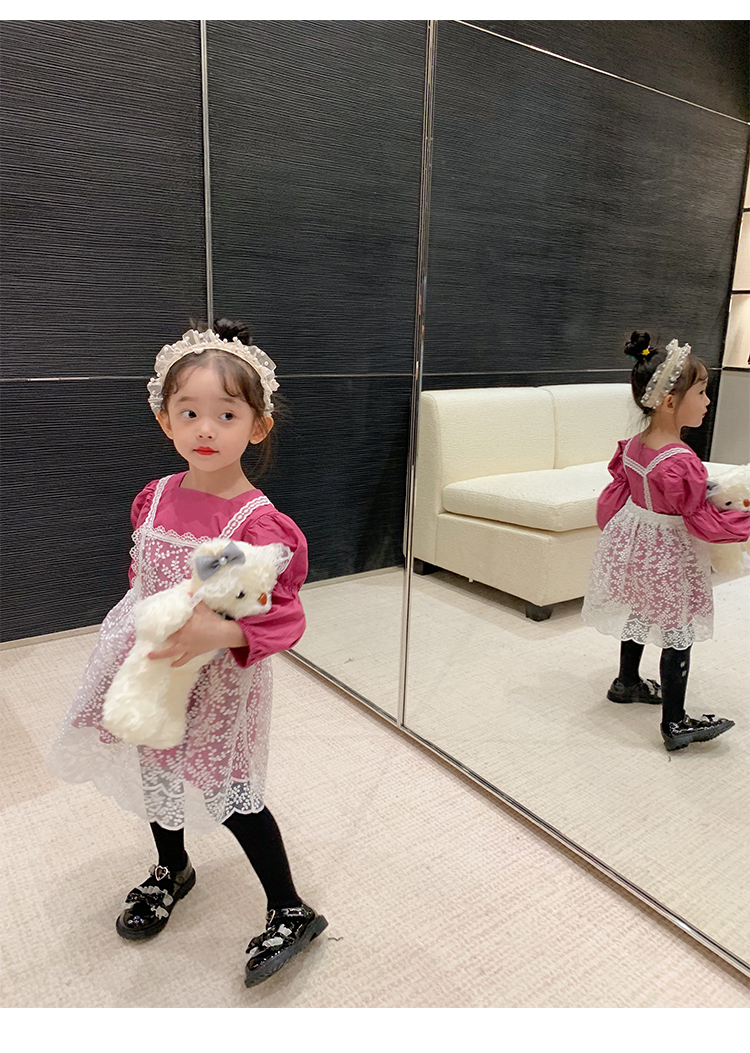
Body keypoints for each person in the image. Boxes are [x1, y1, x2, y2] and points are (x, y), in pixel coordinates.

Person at [48, 318, 327, 987]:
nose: (206, 429)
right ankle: (172, 867)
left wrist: (217, 633)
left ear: (257, 426)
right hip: (152, 668)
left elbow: (284, 616)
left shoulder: (257, 524)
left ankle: (290, 907)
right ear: (165, 419)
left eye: (226, 414)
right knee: (156, 767)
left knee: (231, 791)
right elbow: (141, 572)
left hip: (219, 681)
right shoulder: (154, 498)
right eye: (189, 412)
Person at [582, 330, 750, 752]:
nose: (707, 401)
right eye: (702, 392)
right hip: (669, 552)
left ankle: (627, 682)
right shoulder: (681, 459)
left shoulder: (636, 445)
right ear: (670, 402)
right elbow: (700, 519)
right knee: (679, 631)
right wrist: (743, 521)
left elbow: (630, 492)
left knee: (640, 610)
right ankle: (675, 722)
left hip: (636, 541)